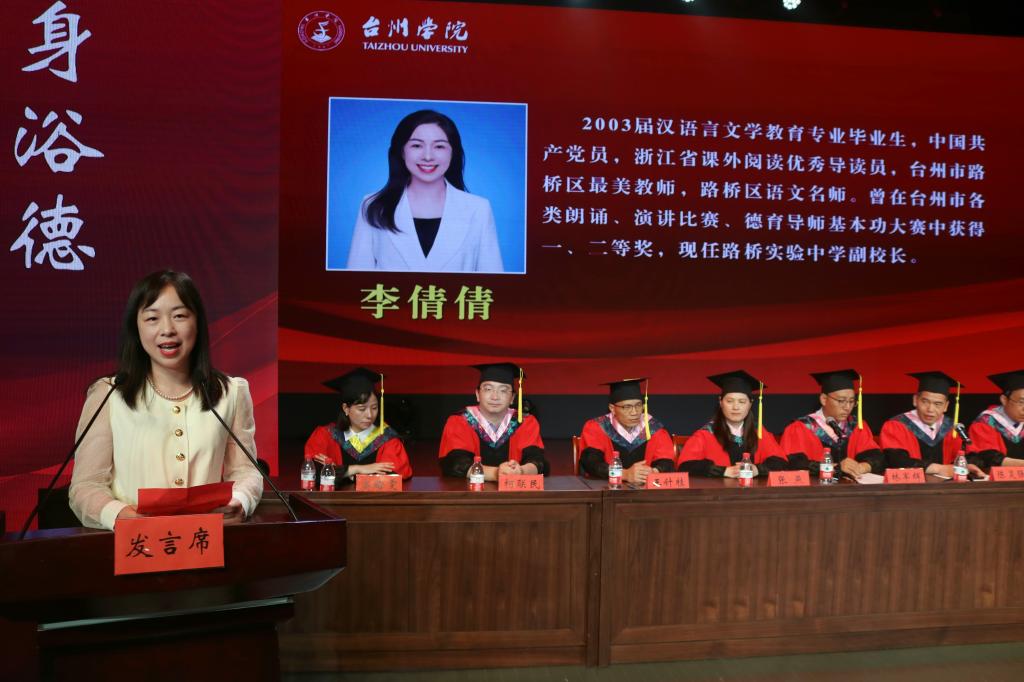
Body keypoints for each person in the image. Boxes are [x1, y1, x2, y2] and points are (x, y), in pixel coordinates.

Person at [68, 270, 263, 530]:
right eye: (152, 318)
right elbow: (85, 485)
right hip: (133, 543)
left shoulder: (231, 392)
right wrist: (120, 515)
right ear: (136, 328)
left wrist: (241, 499)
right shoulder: (109, 394)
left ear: (197, 323)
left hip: (203, 540)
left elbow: (246, 471)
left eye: (180, 316)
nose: (167, 330)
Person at [346, 109, 504, 273]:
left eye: (439, 146)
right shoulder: (373, 205)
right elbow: (355, 280)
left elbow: (493, 282)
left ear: (453, 153)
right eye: (416, 145)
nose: (428, 156)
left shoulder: (478, 209)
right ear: (402, 151)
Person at [439, 363, 548, 479]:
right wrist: (496, 473)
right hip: (469, 490)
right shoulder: (460, 421)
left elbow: (538, 461)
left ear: (512, 398)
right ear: (477, 394)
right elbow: (456, 464)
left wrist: (521, 471)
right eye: (488, 389)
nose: (495, 397)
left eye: (503, 390)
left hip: (514, 490)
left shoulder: (525, 422)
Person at [304, 367, 413, 480]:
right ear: (346, 408)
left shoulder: (387, 438)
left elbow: (393, 477)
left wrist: (340, 471)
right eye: (362, 409)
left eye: (374, 408)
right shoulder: (325, 436)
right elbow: (313, 473)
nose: (369, 415)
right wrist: (356, 469)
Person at [776, 369, 884, 477]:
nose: (847, 407)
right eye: (841, 401)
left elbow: (876, 456)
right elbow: (795, 464)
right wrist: (835, 468)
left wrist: (863, 467)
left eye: (851, 401)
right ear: (824, 399)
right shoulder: (801, 427)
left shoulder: (856, 426)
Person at [677, 370, 783, 477]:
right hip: (717, 488)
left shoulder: (758, 432)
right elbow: (685, 466)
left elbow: (781, 462)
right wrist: (723, 471)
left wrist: (757, 469)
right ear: (720, 402)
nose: (735, 407)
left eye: (742, 402)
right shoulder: (706, 434)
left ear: (750, 404)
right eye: (729, 401)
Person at [880, 371, 984, 476]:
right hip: (911, 484)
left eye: (938, 404)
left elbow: (973, 456)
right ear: (915, 400)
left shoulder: (953, 428)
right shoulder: (897, 425)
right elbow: (895, 461)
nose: (930, 409)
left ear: (946, 406)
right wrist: (939, 469)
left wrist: (967, 465)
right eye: (925, 402)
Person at [578, 378, 675, 485]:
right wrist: (624, 474)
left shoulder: (653, 428)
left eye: (638, 405)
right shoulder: (598, 427)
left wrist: (654, 472)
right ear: (612, 408)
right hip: (608, 489)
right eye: (627, 407)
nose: (634, 412)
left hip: (645, 490)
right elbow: (591, 464)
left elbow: (667, 462)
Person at [967, 370, 1024, 468]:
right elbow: (988, 458)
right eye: (1021, 402)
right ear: (1004, 400)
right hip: (995, 477)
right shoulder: (986, 422)